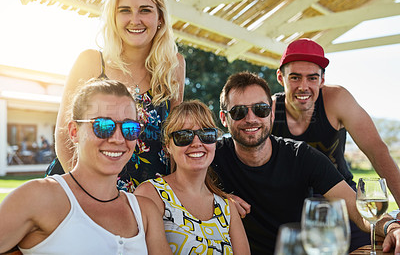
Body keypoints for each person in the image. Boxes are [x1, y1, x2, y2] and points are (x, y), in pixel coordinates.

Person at [212, 71, 400, 254]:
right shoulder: (211, 156)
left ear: (271, 113)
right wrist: (218, 197)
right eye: (238, 112)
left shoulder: (301, 156)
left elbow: (358, 211)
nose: (251, 119)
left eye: (260, 109)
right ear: (224, 119)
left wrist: (392, 227)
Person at [0, 79, 171, 254]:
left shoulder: (144, 212)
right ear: (74, 131)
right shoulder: (38, 197)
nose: (118, 139)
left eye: (130, 128)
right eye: (103, 126)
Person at [46, 0, 186, 192]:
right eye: (125, 10)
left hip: (148, 196)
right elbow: (64, 136)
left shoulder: (174, 66)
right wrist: (88, 195)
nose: (135, 20)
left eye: (145, 10)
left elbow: (175, 139)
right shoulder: (91, 62)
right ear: (113, 17)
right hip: (81, 190)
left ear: (160, 18)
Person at [272, 38, 400, 250]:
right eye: (295, 77)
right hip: (291, 206)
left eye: (312, 78)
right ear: (280, 77)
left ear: (322, 79)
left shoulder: (337, 99)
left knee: (382, 247)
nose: (303, 86)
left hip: (344, 201)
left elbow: (377, 151)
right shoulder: (267, 111)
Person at [135, 100, 250, 254]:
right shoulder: (150, 195)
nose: (196, 142)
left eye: (206, 134)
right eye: (183, 136)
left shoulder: (227, 208)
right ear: (168, 146)